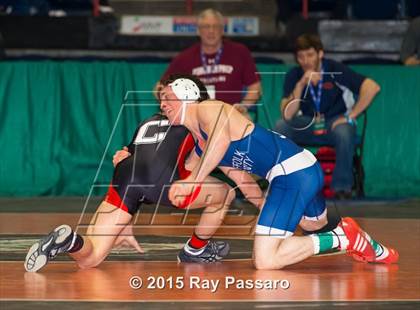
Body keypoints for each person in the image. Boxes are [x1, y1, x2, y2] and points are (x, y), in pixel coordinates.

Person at [159, 75, 398, 270]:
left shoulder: (207, 109)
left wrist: (194, 180)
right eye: (161, 100)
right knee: (313, 225)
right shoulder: (202, 145)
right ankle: (371, 246)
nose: (162, 105)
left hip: (291, 172)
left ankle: (344, 238)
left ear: (187, 95)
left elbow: (220, 141)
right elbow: (241, 179)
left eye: (168, 98)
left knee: (265, 261)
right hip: (302, 168)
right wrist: (264, 206)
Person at [24, 81, 263, 272]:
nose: (164, 105)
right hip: (160, 180)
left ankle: (69, 241)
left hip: (125, 177)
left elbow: (128, 157)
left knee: (90, 259)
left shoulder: (147, 121)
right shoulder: (197, 120)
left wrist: (127, 219)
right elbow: (236, 175)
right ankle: (195, 249)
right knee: (225, 193)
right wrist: (262, 204)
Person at [275, 34, 381, 199]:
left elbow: (372, 87)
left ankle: (342, 188)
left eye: (310, 55)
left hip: (335, 122)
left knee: (344, 132)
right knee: (281, 126)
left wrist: (351, 115)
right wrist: (301, 84)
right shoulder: (295, 75)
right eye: (301, 56)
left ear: (320, 54)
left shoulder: (335, 70)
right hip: (308, 123)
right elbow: (288, 114)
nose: (306, 61)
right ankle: (285, 183)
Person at [156, 8, 261, 116]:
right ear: (198, 31)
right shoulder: (185, 57)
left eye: (216, 26)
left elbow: (255, 87)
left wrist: (243, 106)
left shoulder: (240, 52)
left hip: (230, 114)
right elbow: (159, 88)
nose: (211, 31)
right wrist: (177, 107)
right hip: (196, 117)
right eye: (206, 26)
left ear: (222, 30)